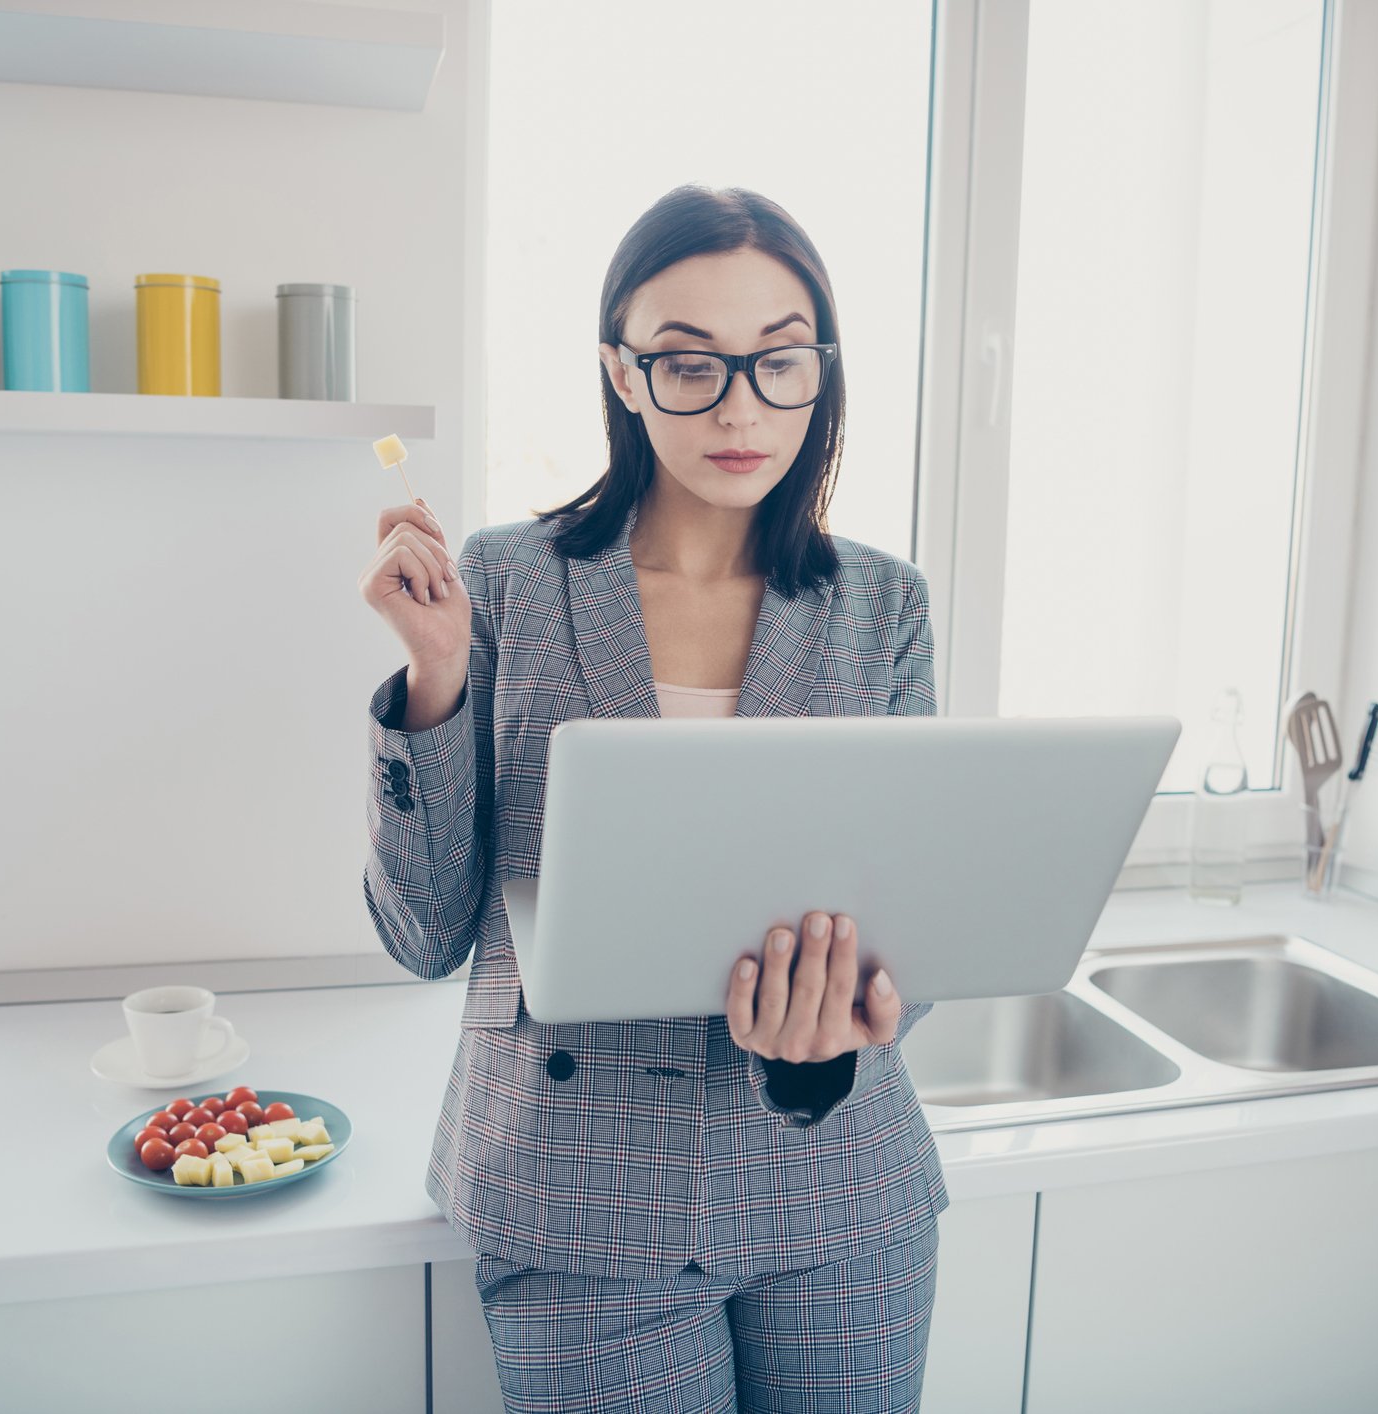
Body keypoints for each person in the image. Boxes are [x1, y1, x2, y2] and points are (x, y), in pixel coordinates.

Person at [357, 184, 948, 1412]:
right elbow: (425, 933)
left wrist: (841, 1025)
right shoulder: (504, 581)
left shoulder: (882, 607)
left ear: (821, 371)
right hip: (577, 1200)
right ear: (622, 375)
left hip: (840, 1189)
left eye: (779, 361)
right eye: (689, 364)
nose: (740, 406)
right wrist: (437, 675)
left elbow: (913, 927)